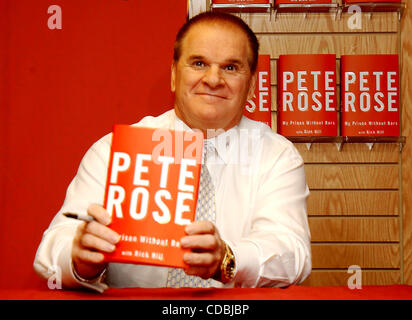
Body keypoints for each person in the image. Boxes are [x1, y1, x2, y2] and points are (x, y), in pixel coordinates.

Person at [33, 11, 311, 292]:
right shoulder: (115, 151)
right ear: (174, 75)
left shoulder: (277, 156)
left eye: (230, 67)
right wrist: (80, 259)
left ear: (251, 85)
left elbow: (292, 254)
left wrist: (228, 259)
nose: (213, 79)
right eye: (199, 63)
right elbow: (52, 250)